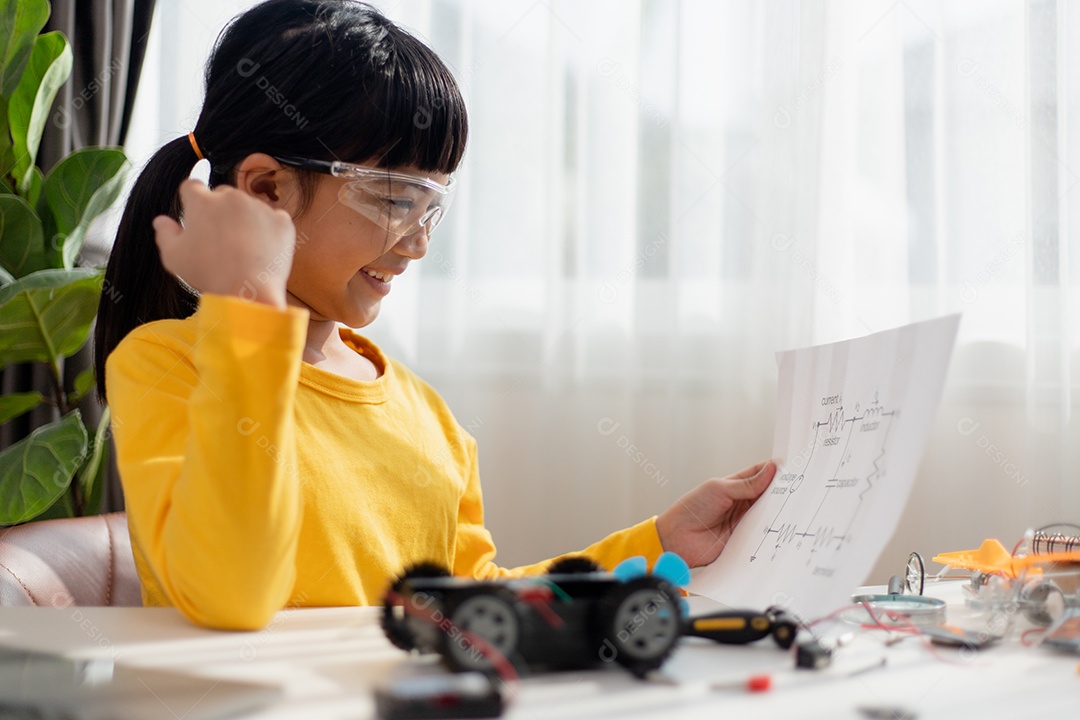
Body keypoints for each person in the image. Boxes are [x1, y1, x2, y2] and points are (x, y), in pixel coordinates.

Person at [94, 0, 776, 630]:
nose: (418, 244)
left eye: (432, 209)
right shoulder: (166, 366)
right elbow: (231, 596)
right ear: (267, 188)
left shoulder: (428, 419)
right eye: (396, 200)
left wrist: (659, 546)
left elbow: (474, 603)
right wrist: (249, 313)